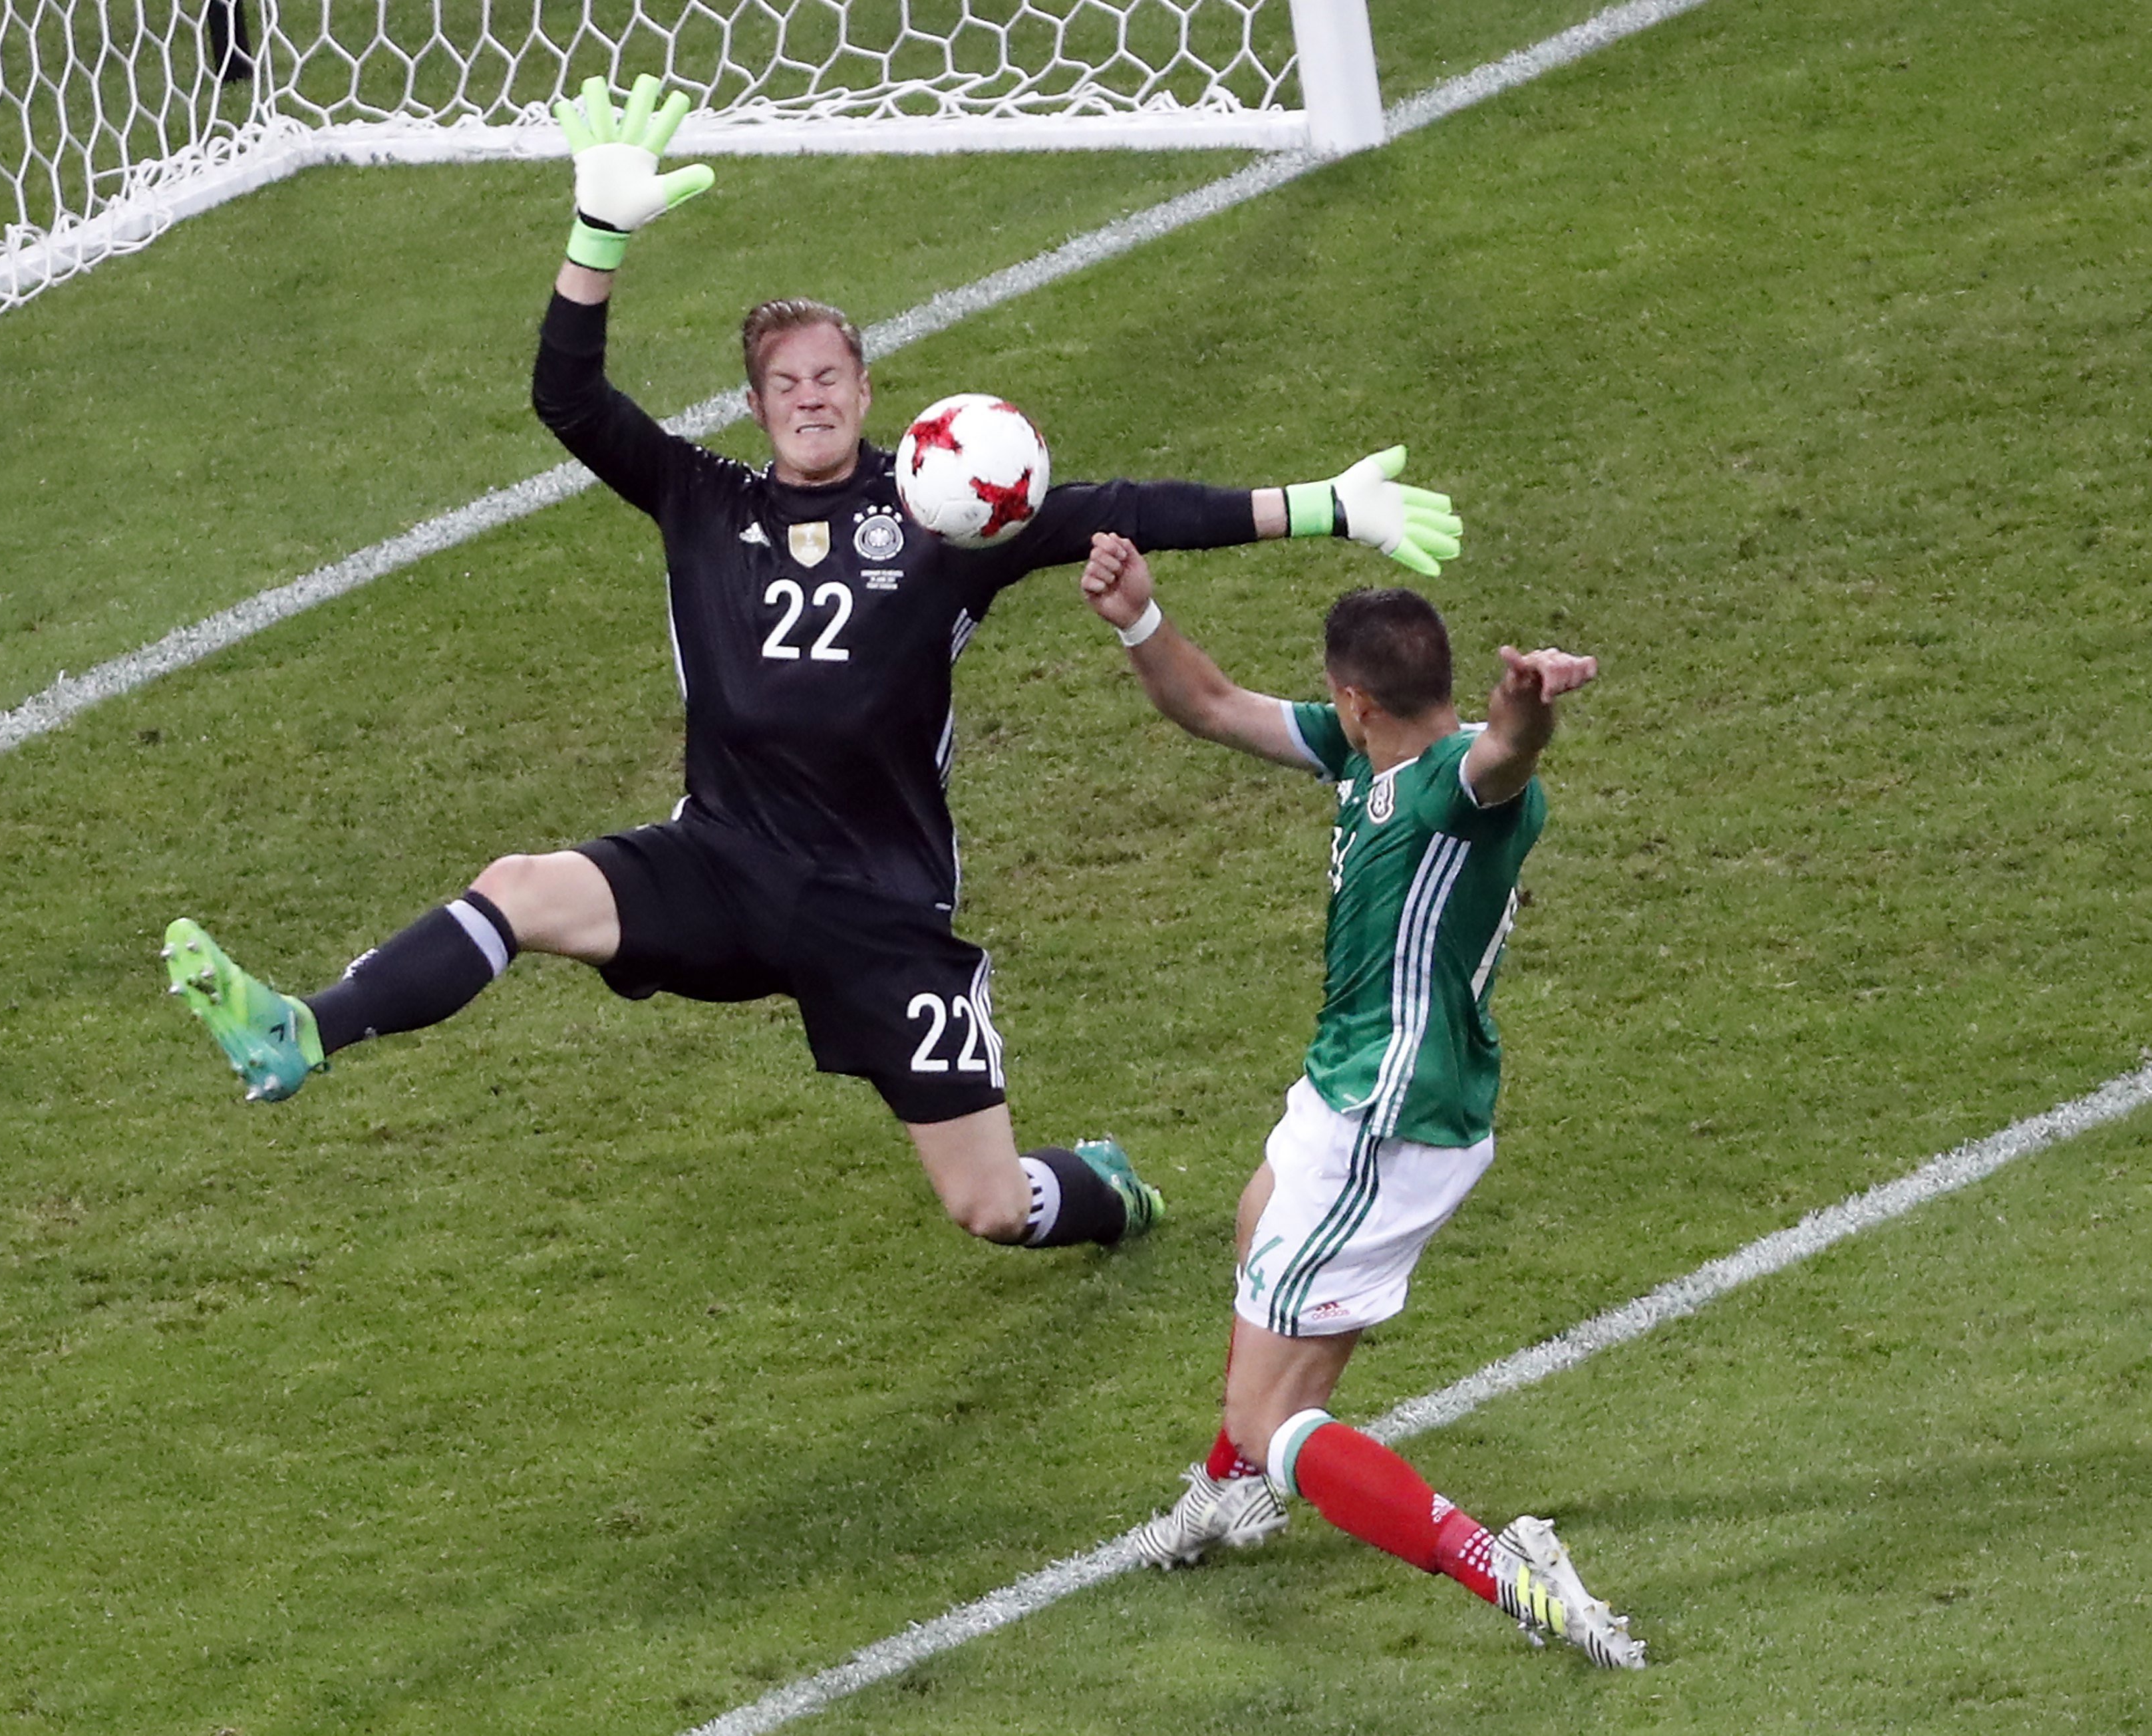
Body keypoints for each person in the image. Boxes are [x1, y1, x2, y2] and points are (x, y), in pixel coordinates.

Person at [160, 74, 1460, 1258]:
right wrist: (595, 238)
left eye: (831, 374)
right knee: (518, 887)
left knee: (990, 1207)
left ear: (865, 383)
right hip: (721, 861)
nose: (812, 395)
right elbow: (569, 401)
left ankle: (1106, 1193)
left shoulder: (946, 518)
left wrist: (1326, 505)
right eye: (786, 381)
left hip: (877, 910)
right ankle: (305, 1030)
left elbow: (1130, 503)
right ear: (758, 404)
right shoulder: (699, 500)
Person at [1077, 531, 1644, 1667]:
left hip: (1384, 1123)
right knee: (1256, 1210)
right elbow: (1213, 705)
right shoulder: (1367, 756)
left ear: (1356, 696)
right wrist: (1140, 617)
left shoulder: (1450, 789)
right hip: (1344, 1089)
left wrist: (1529, 709)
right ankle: (1236, 1494)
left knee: (1271, 1417)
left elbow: (1507, 759)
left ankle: (1504, 1569)